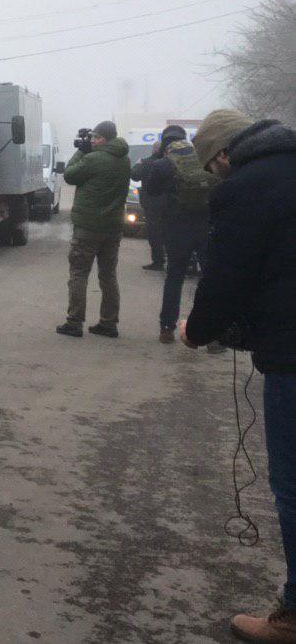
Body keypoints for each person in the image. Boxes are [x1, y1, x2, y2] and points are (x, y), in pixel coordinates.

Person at [178, 110, 296, 642]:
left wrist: (195, 331)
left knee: (292, 487)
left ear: (224, 155)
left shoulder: (248, 186)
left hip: (293, 354)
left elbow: (226, 278)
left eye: (213, 167)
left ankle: (292, 616)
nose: (216, 177)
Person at [131, 124, 218, 344]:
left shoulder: (163, 164)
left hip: (177, 228)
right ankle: (213, 335)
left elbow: (152, 190)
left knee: (175, 277)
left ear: (165, 143)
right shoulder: (204, 159)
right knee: (209, 278)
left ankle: (167, 328)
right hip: (206, 226)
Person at [57, 120, 131, 339]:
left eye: (96, 137)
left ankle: (74, 322)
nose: (93, 141)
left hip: (88, 227)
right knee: (108, 276)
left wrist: (81, 151)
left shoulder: (93, 158)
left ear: (105, 139)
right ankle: (109, 323)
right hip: (113, 227)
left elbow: (69, 175)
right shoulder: (124, 159)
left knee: (79, 274)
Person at [132, 138, 168, 271]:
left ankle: (158, 261)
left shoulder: (146, 162)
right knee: (168, 231)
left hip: (151, 204)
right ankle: (172, 260)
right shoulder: (170, 163)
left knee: (154, 233)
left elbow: (134, 175)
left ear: (153, 149)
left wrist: (137, 164)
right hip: (169, 203)